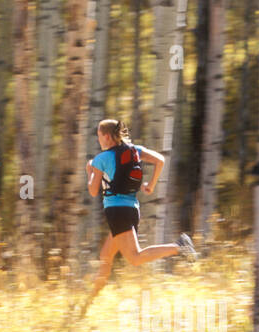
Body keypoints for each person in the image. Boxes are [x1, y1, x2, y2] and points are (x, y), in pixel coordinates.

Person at [80, 119, 196, 314]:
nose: (98, 140)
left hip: (117, 213)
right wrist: (150, 185)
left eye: (99, 136)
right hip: (132, 209)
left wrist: (90, 171)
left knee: (135, 257)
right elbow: (160, 160)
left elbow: (93, 191)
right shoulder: (135, 150)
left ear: (106, 136)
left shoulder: (101, 159)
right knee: (106, 256)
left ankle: (179, 247)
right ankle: (86, 306)